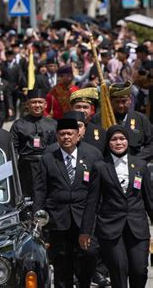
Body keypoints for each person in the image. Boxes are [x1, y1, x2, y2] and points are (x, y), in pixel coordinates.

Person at [79, 125, 153, 288]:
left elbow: (150, 200)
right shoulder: (100, 166)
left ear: (127, 141)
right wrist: (85, 231)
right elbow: (92, 201)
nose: (118, 142)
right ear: (108, 143)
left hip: (137, 227)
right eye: (114, 139)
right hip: (110, 227)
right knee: (118, 268)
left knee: (139, 269)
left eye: (122, 139)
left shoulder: (140, 165)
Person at [33, 118, 102, 288]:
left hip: (84, 218)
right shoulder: (48, 159)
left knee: (86, 260)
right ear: (57, 136)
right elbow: (40, 190)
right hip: (58, 219)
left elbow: (97, 192)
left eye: (70, 133)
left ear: (78, 136)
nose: (66, 137)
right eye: (62, 134)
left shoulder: (92, 156)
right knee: (62, 265)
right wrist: (38, 217)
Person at [10, 89, 57, 198]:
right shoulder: (18, 124)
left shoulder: (53, 124)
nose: (37, 105)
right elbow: (13, 148)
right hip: (26, 167)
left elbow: (57, 146)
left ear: (45, 105)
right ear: (27, 104)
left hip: (47, 166)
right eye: (34, 102)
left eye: (40, 102)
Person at [92, 81, 153, 161]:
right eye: (117, 102)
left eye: (124, 101)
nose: (120, 105)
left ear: (130, 100)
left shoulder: (141, 119)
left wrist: (136, 160)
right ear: (110, 101)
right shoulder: (99, 119)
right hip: (107, 166)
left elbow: (151, 144)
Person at [70, 87, 106, 152]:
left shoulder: (101, 132)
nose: (81, 110)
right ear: (71, 109)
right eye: (78, 107)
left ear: (91, 110)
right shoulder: (62, 130)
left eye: (85, 107)